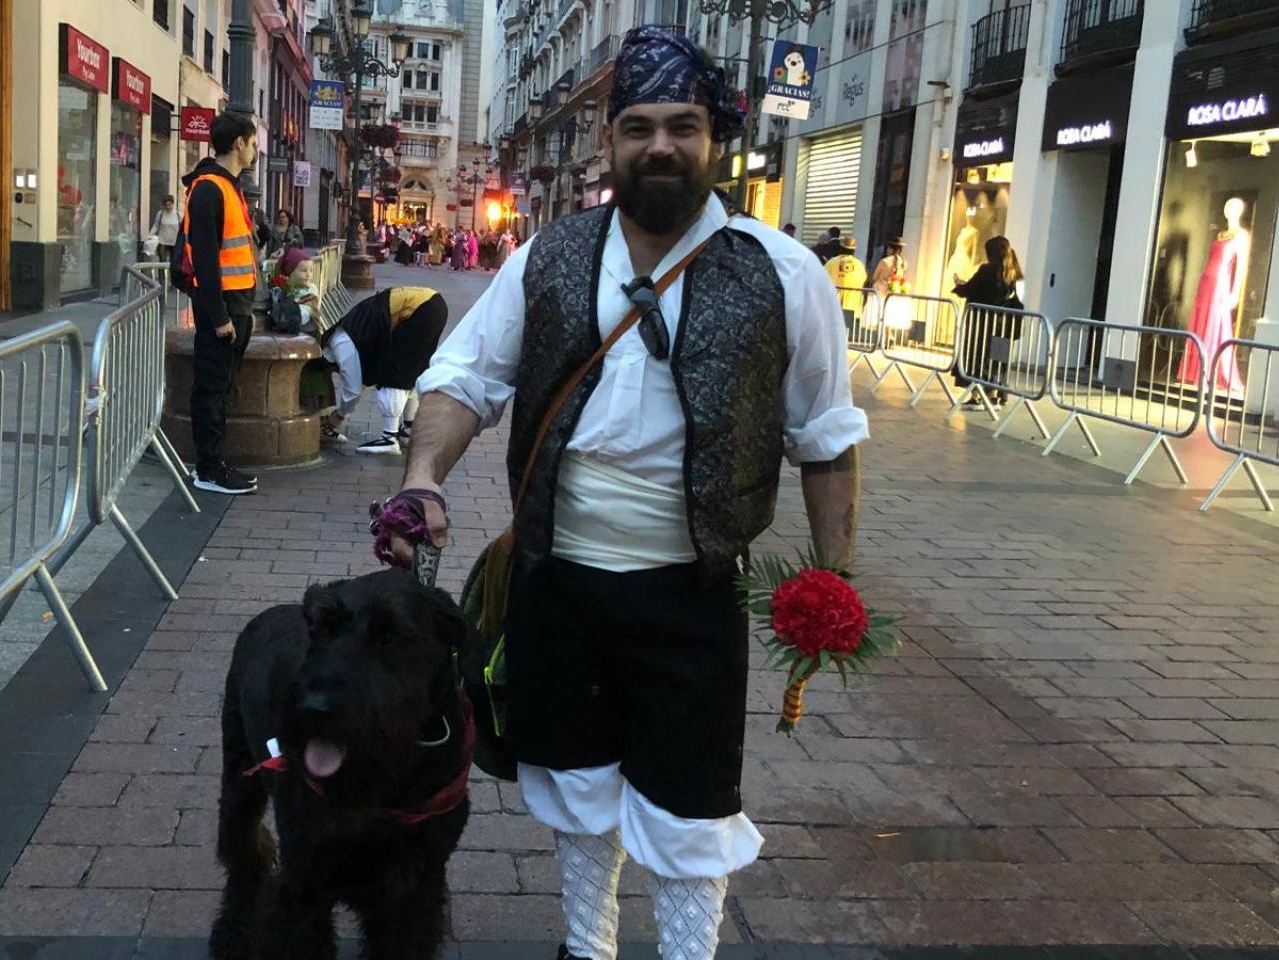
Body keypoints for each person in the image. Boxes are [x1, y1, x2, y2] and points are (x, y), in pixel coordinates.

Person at [378, 26, 865, 960]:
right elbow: (465, 377)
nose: (660, 147)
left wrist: (832, 581)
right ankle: (586, 946)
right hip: (560, 578)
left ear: (715, 136)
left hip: (694, 586)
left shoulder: (784, 273)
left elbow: (827, 439)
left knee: (690, 800)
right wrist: (420, 477)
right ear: (610, 140)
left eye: (682, 125)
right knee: (575, 777)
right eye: (638, 126)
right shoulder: (549, 258)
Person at [178, 114, 263, 495]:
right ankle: (208, 470)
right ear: (239, 144)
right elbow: (205, 260)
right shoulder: (210, 188)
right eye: (254, 142)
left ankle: (216, 462)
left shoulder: (228, 187)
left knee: (221, 387)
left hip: (237, 303)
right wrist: (219, 317)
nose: (256, 150)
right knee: (211, 388)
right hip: (223, 307)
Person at [319, 286, 450, 456]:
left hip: (419, 309)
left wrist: (339, 415)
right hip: (435, 303)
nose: (339, 374)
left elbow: (353, 390)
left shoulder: (341, 343)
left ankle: (389, 439)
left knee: (395, 373)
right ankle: (408, 431)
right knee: (412, 371)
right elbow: (363, 382)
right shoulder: (351, 334)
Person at [951, 234, 1024, 410]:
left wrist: (959, 284)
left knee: (977, 357)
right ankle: (993, 397)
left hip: (982, 323)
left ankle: (975, 397)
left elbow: (971, 289)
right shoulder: (1013, 272)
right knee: (997, 359)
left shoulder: (986, 270)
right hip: (1004, 325)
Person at [824, 237, 868, 320]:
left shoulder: (831, 262)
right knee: (849, 331)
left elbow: (821, 278)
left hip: (833, 306)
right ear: (854, 251)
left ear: (840, 248)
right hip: (852, 305)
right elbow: (863, 280)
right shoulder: (859, 265)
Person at [150, 195, 182, 263]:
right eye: (166, 205)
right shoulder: (160, 214)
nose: (168, 207)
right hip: (163, 241)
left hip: (174, 242)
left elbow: (182, 228)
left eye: (169, 204)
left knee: (174, 262)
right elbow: (156, 226)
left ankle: (171, 273)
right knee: (162, 261)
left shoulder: (178, 215)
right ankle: (161, 274)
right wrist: (150, 235)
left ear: (173, 204)